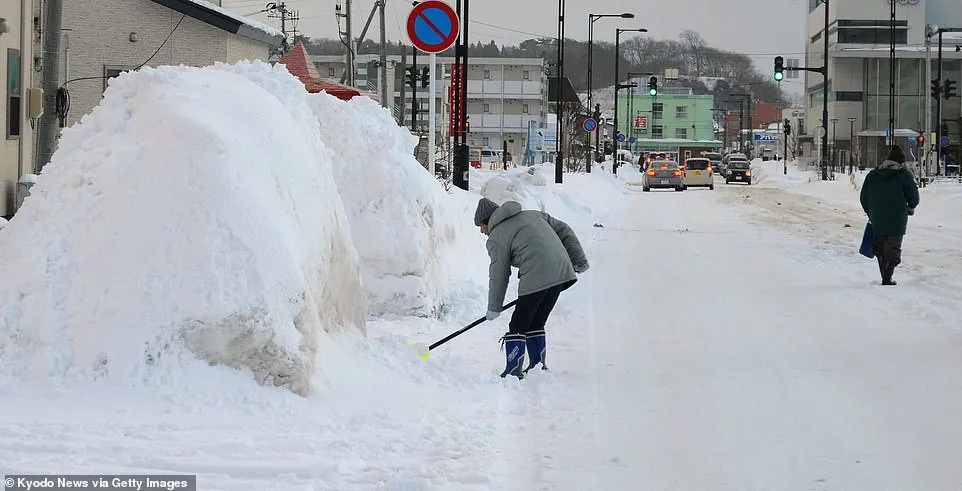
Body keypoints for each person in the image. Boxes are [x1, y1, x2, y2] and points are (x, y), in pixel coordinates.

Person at [473, 197, 589, 379]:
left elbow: (499, 274)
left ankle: (513, 371)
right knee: (535, 321)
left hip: (537, 274)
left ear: (487, 221)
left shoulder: (497, 237)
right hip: (561, 272)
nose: (481, 231)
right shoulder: (534, 215)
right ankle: (537, 366)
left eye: (481, 226)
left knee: (518, 325)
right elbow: (564, 229)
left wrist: (494, 308)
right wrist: (579, 260)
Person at [859, 145, 920, 286]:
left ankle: (885, 276)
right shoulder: (904, 175)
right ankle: (887, 278)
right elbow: (914, 198)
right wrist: (910, 208)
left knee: (880, 247)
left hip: (877, 219)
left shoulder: (873, 175)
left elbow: (863, 198)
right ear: (900, 161)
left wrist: (871, 212)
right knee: (893, 246)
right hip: (897, 218)